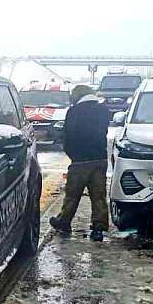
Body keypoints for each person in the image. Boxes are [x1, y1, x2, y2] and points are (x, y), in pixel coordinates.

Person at [49, 84, 111, 241]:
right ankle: (99, 228)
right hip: (99, 158)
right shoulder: (103, 110)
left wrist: (72, 154)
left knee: (72, 194)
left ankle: (64, 221)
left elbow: (68, 135)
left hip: (80, 160)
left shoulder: (74, 111)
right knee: (98, 195)